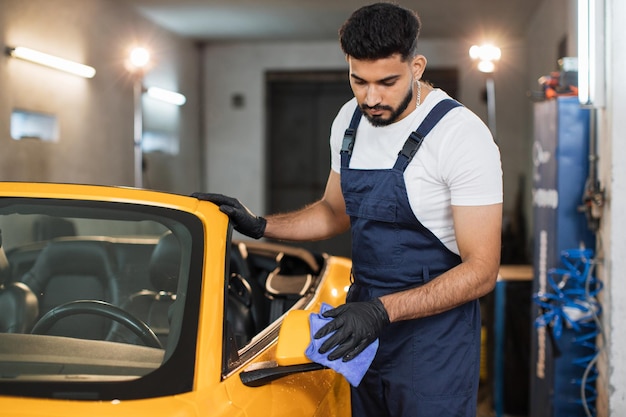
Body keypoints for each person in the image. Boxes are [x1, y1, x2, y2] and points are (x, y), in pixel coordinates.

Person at [194, 3, 502, 416]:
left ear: (417, 66)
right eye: (359, 81)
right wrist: (262, 224)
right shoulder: (348, 122)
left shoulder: (460, 136)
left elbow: (482, 270)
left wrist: (381, 311)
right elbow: (333, 212)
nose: (371, 98)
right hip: (361, 328)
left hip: (433, 340)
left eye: (387, 82)